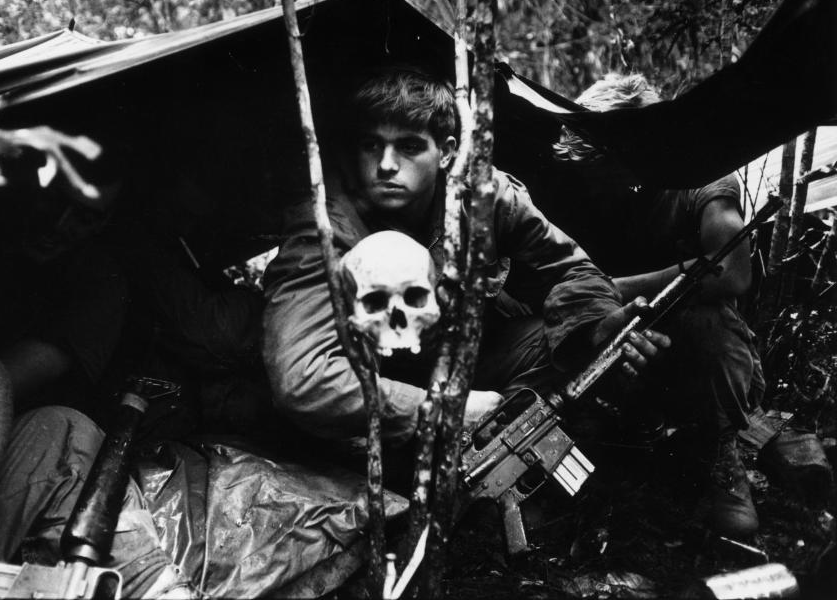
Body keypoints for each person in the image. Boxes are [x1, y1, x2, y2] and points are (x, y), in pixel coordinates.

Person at [261, 67, 668, 476]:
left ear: (447, 152)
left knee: (565, 349)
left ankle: (498, 466)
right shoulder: (326, 228)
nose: (386, 165)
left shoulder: (481, 196)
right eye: (372, 145)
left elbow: (569, 268)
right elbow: (303, 378)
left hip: (469, 360)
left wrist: (597, 328)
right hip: (385, 399)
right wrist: (443, 410)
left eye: (408, 147)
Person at [0, 152, 190, 598]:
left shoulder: (99, 283)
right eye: (54, 201)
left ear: (101, 225)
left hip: (7, 456)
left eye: (83, 216)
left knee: (62, 431)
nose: (59, 223)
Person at [551, 72, 832, 540]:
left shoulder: (699, 179)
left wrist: (612, 287)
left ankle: (726, 469)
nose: (598, 180)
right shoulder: (586, 191)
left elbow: (733, 271)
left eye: (605, 164)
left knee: (705, 320)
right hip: (623, 354)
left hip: (708, 362)